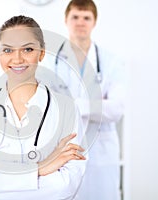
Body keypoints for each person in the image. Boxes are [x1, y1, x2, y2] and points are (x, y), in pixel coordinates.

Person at [0, 15, 87, 200]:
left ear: (41, 53)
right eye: (7, 50)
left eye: (27, 49)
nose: (17, 59)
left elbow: (64, 186)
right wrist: (41, 168)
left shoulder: (66, 109)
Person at [44, 0, 127, 199]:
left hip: (101, 148)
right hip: (62, 149)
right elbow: (47, 105)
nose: (80, 22)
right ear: (66, 20)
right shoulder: (50, 60)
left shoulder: (111, 61)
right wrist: (97, 107)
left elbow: (116, 109)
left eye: (86, 17)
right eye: (75, 17)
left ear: (94, 22)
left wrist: (74, 106)